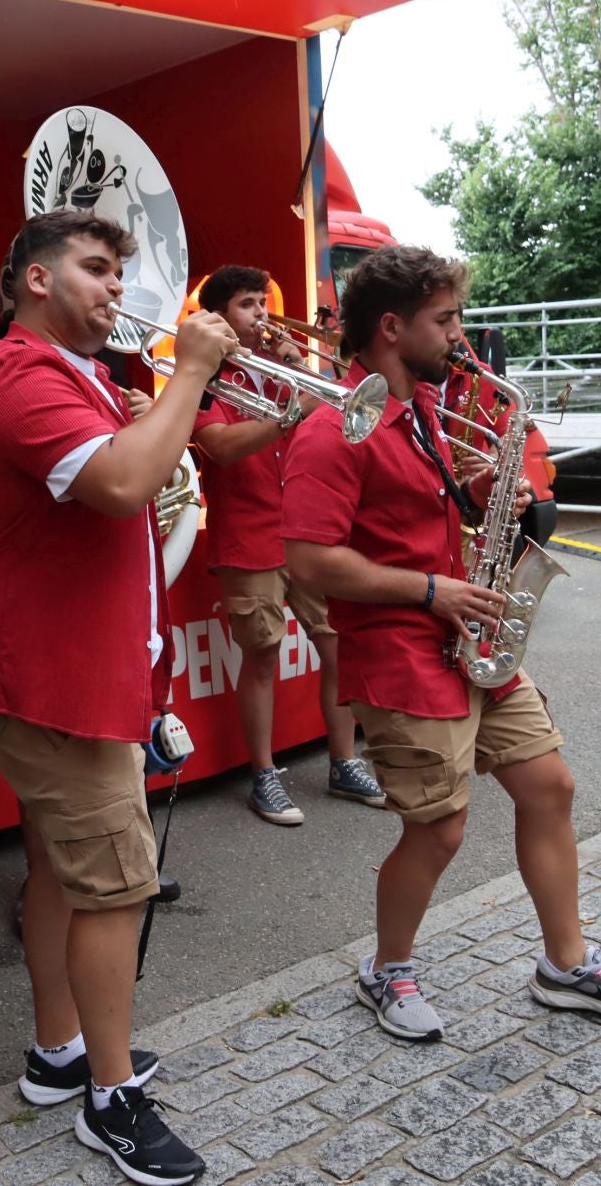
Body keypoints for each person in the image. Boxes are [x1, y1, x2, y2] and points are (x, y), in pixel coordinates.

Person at [283, 244, 601, 1042]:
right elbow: (309, 560)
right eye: (446, 321)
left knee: (550, 786)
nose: (461, 338)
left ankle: (567, 965)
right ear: (392, 328)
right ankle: (386, 969)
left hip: (470, 632)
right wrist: (432, 590)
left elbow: (418, 511)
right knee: (440, 826)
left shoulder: (421, 406)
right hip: (402, 645)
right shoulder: (335, 429)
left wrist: (488, 491)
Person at [0, 209, 238, 1185]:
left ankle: (58, 1051)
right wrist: (196, 367)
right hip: (52, 680)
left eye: (121, 271)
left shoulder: (78, 373)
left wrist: (211, 395)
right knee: (117, 883)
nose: (119, 287)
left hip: (77, 667)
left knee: (55, 869)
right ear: (36, 279)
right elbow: (122, 483)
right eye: (97, 268)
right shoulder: (24, 375)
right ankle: (110, 1097)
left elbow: (157, 463)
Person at [190, 265, 384, 826]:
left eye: (262, 302)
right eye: (248, 305)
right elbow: (220, 445)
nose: (262, 315)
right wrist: (288, 412)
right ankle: (264, 774)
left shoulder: (284, 371)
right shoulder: (205, 377)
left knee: (338, 647)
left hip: (306, 529)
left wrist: (304, 374)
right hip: (247, 537)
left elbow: (341, 427)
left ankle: (344, 762)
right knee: (262, 658)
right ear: (218, 316)